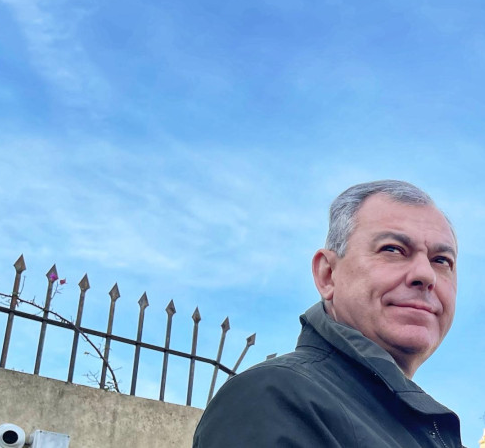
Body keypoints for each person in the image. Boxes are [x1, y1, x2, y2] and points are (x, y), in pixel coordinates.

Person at [194, 180, 463, 447]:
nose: (426, 275)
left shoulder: (425, 429)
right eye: (392, 249)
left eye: (441, 261)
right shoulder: (273, 397)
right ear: (328, 275)